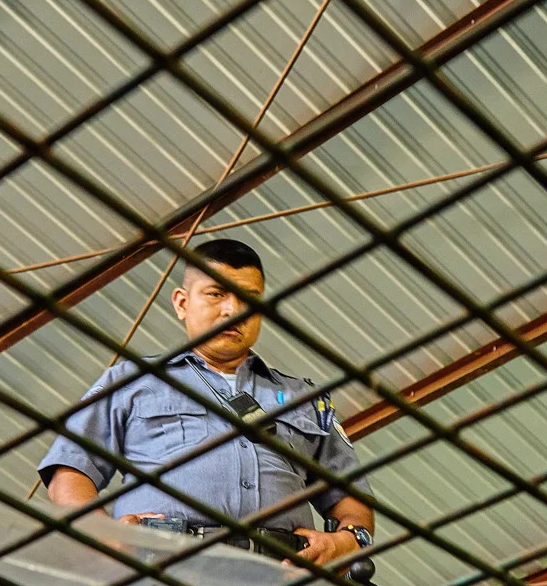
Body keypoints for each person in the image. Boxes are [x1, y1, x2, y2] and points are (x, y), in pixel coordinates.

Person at [38, 239, 374, 567]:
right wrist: (105, 535)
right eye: (216, 294)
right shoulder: (132, 381)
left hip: (283, 579)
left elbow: (352, 500)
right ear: (182, 303)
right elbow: (70, 472)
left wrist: (346, 541)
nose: (233, 310)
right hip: (164, 571)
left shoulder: (304, 399)